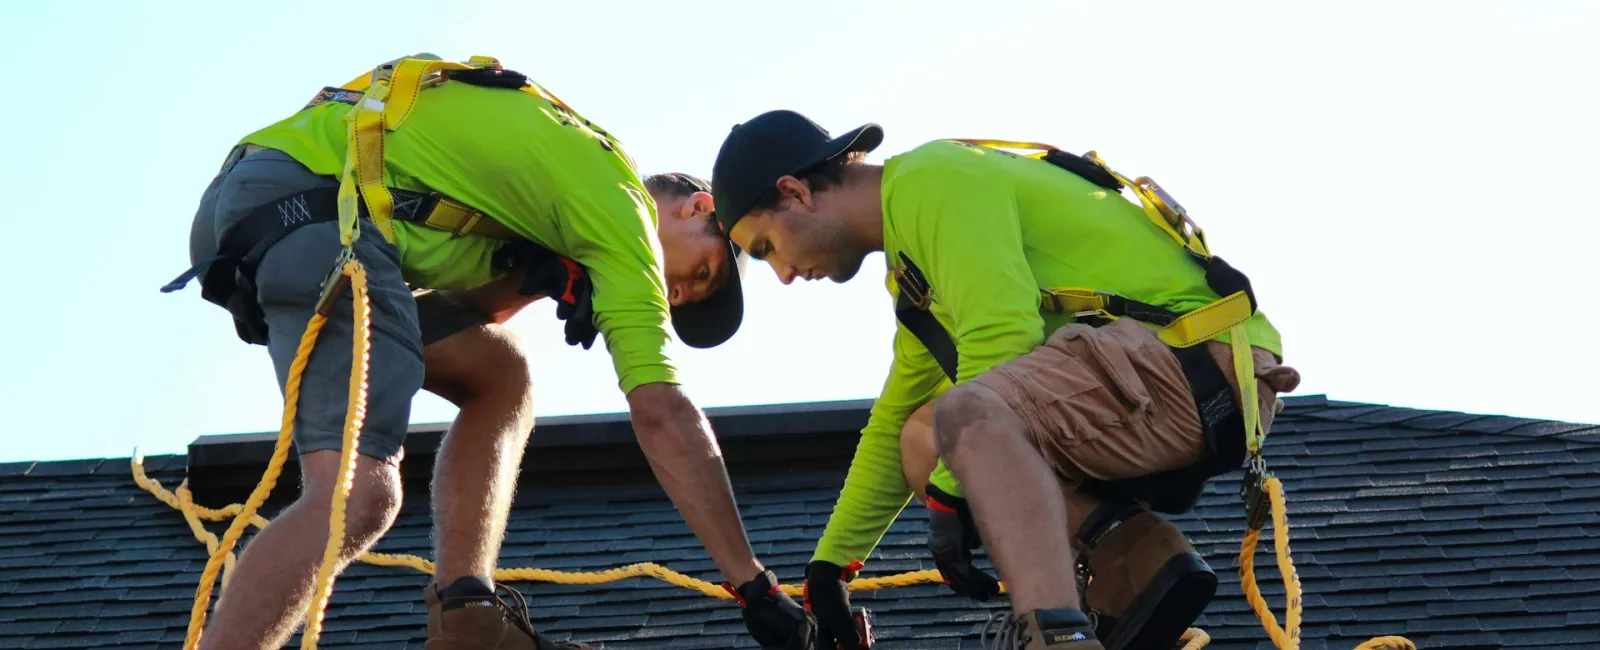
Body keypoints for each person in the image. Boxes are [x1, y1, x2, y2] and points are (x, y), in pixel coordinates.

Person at [167, 55, 814, 650]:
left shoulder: (550, 202)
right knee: (359, 495)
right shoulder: (617, 207)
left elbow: (442, 328)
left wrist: (531, 283)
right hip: (310, 209)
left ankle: (466, 613)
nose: (672, 292)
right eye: (699, 275)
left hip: (283, 203)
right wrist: (752, 586)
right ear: (697, 207)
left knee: (502, 374)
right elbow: (662, 414)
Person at [704, 109, 1301, 650]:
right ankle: (1136, 562)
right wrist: (830, 569)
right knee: (923, 436)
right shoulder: (916, 276)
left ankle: (1055, 633)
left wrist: (950, 492)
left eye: (766, 247)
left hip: (1199, 362)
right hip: (1154, 382)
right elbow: (893, 423)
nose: (782, 274)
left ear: (794, 191)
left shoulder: (932, 180)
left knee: (964, 421)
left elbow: (1002, 335)